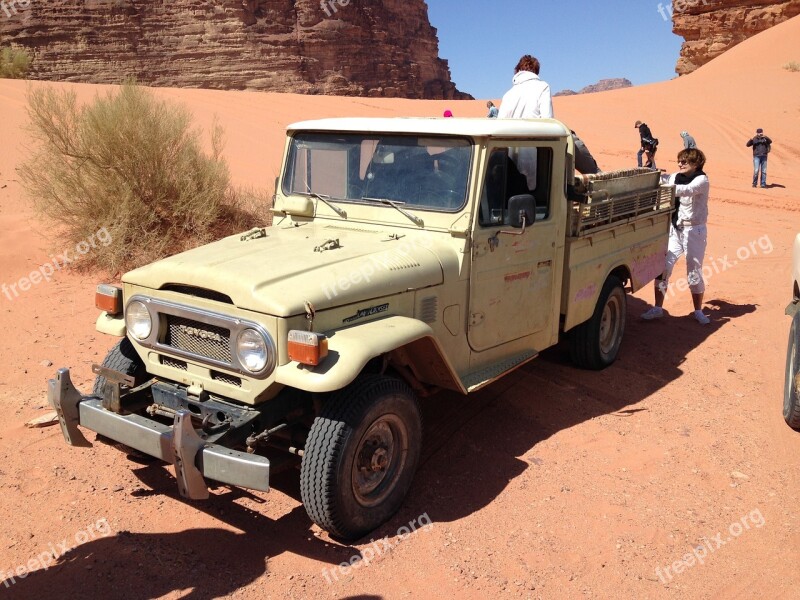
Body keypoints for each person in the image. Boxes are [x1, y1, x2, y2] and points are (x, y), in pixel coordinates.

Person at [641, 147, 711, 325]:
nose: (680, 164)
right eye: (679, 161)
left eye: (685, 161)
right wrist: (651, 164)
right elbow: (659, 178)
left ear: (696, 164)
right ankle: (657, 308)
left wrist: (664, 186)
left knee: (694, 272)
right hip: (675, 229)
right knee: (663, 266)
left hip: (694, 231)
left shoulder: (702, 180)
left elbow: (685, 190)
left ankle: (698, 311)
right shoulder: (674, 176)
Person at [498, 55, 553, 119]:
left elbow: (500, 122)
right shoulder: (543, 87)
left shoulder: (508, 95)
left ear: (518, 70)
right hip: (535, 129)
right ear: (536, 72)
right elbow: (547, 119)